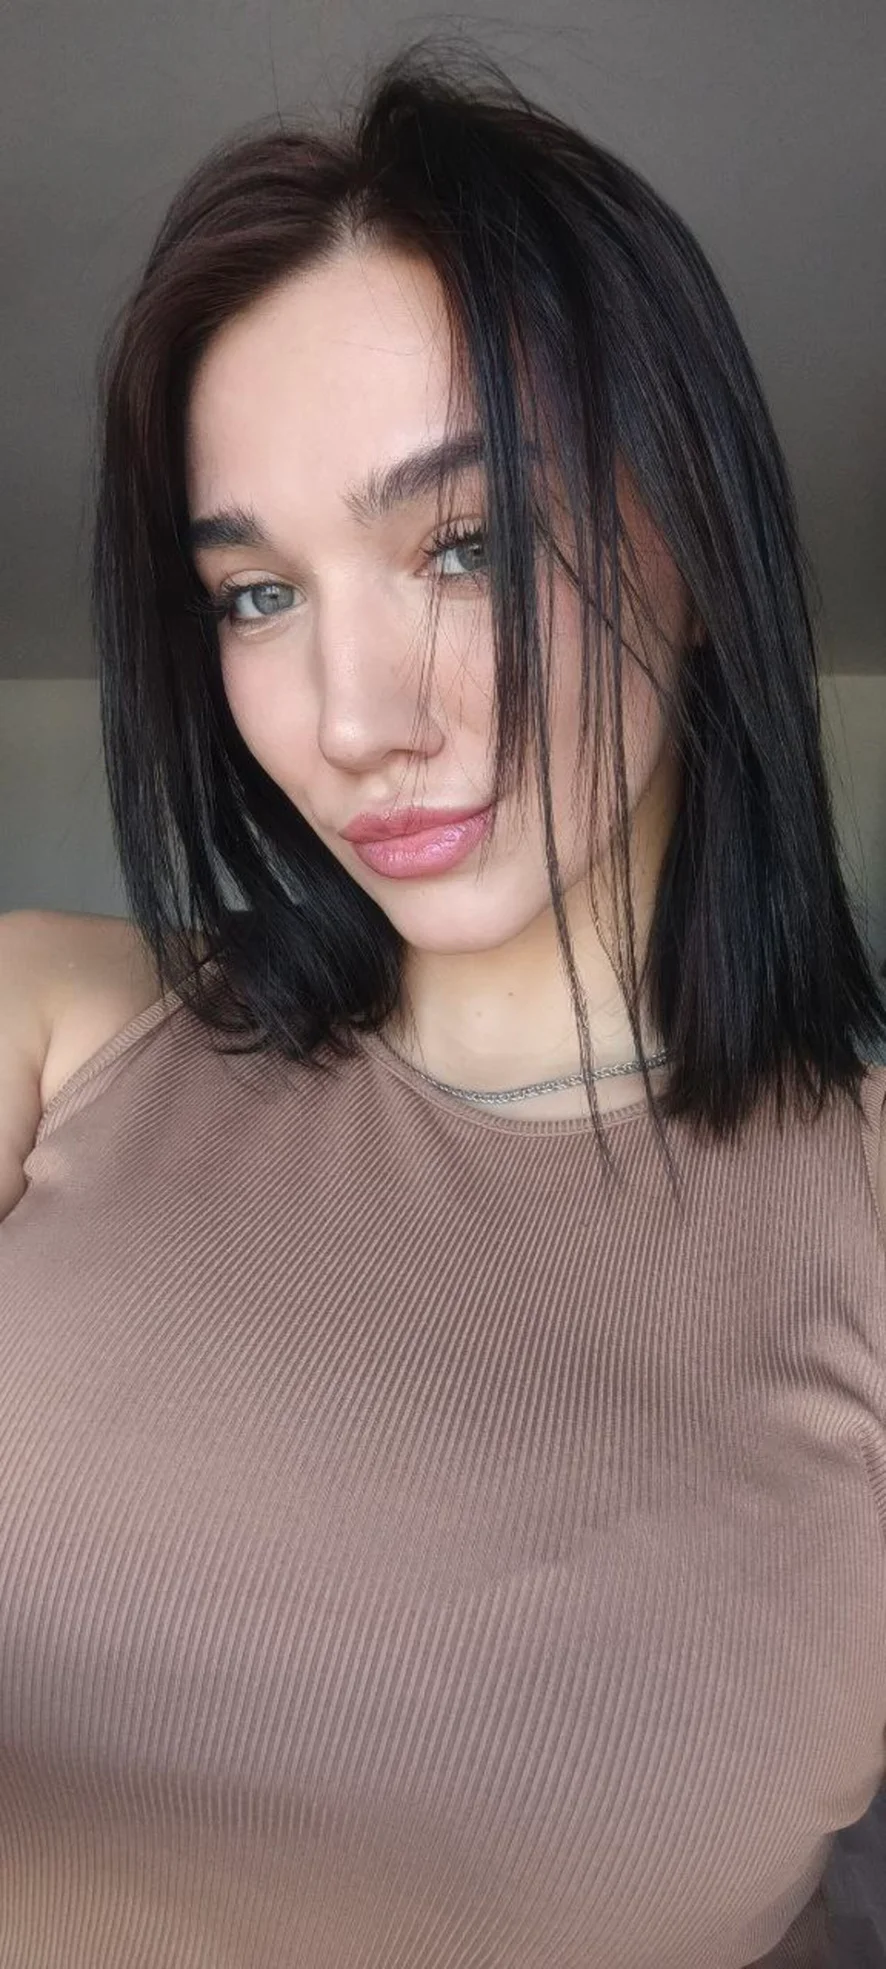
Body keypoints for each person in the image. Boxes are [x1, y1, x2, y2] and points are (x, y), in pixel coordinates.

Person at [1, 34, 885, 1969]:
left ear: (697, 539)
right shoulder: (51, 1032)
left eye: (464, 544)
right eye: (255, 593)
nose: (352, 720)